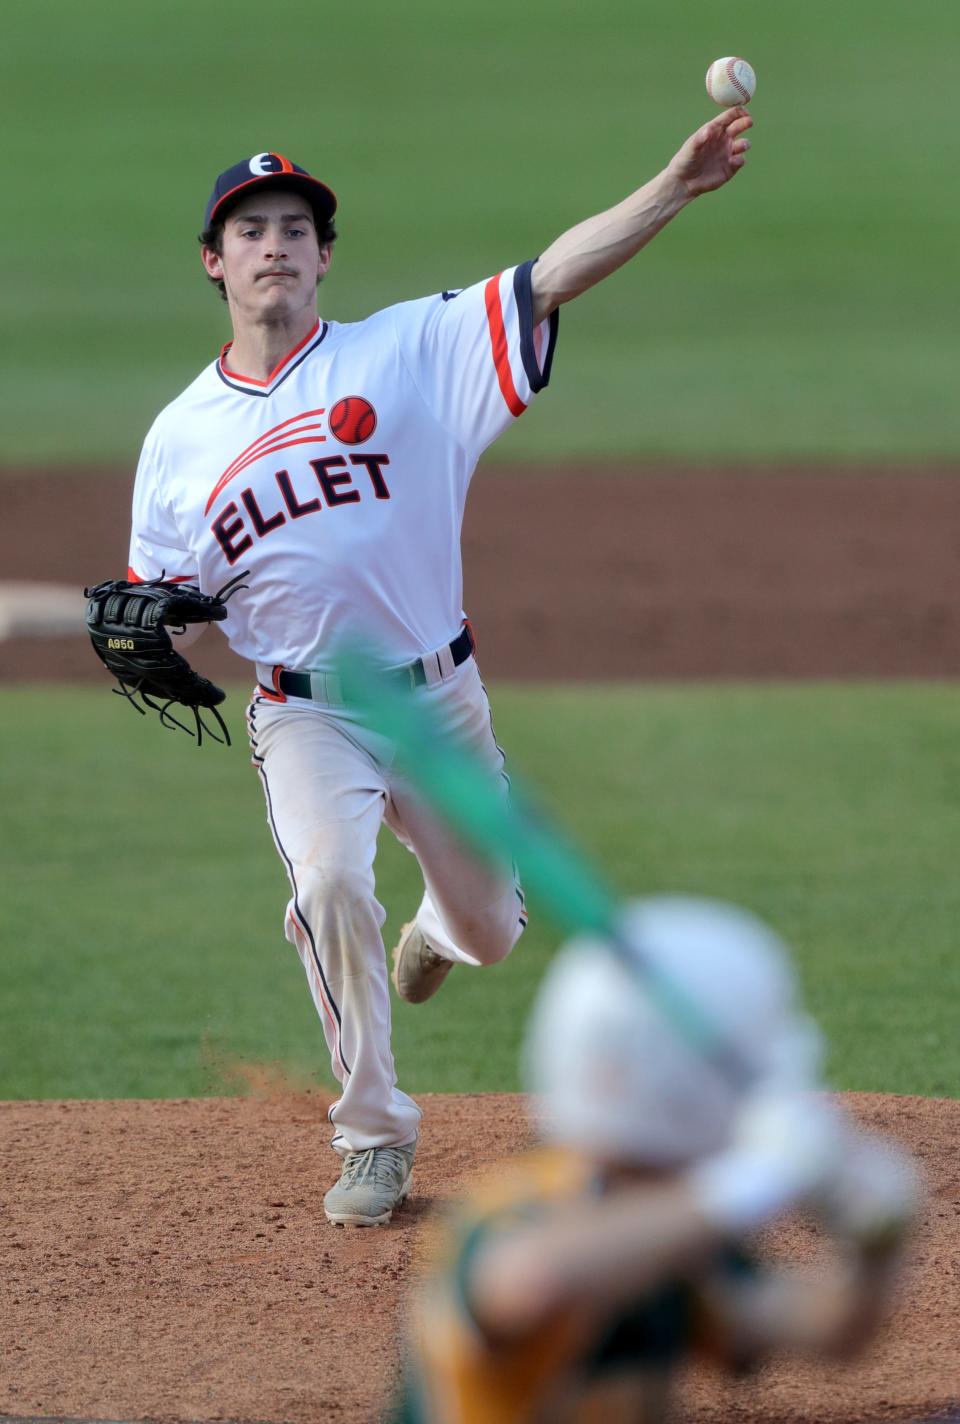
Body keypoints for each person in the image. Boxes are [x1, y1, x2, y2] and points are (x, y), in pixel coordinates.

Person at [125, 110, 753, 1227]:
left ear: (325, 255)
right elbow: (163, 612)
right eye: (252, 229)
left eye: (297, 229)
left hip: (440, 702)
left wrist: (670, 187)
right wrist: (146, 633)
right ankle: (373, 1132)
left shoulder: (412, 351)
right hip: (309, 714)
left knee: (494, 932)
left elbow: (551, 276)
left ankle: (438, 932)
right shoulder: (178, 438)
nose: (276, 244)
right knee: (326, 882)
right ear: (214, 261)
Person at [390, 897, 920, 1423]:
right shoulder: (516, 1208)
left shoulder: (679, 1240)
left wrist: (876, 1243)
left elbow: (829, 1333)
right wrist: (749, 1183)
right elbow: (530, 1279)